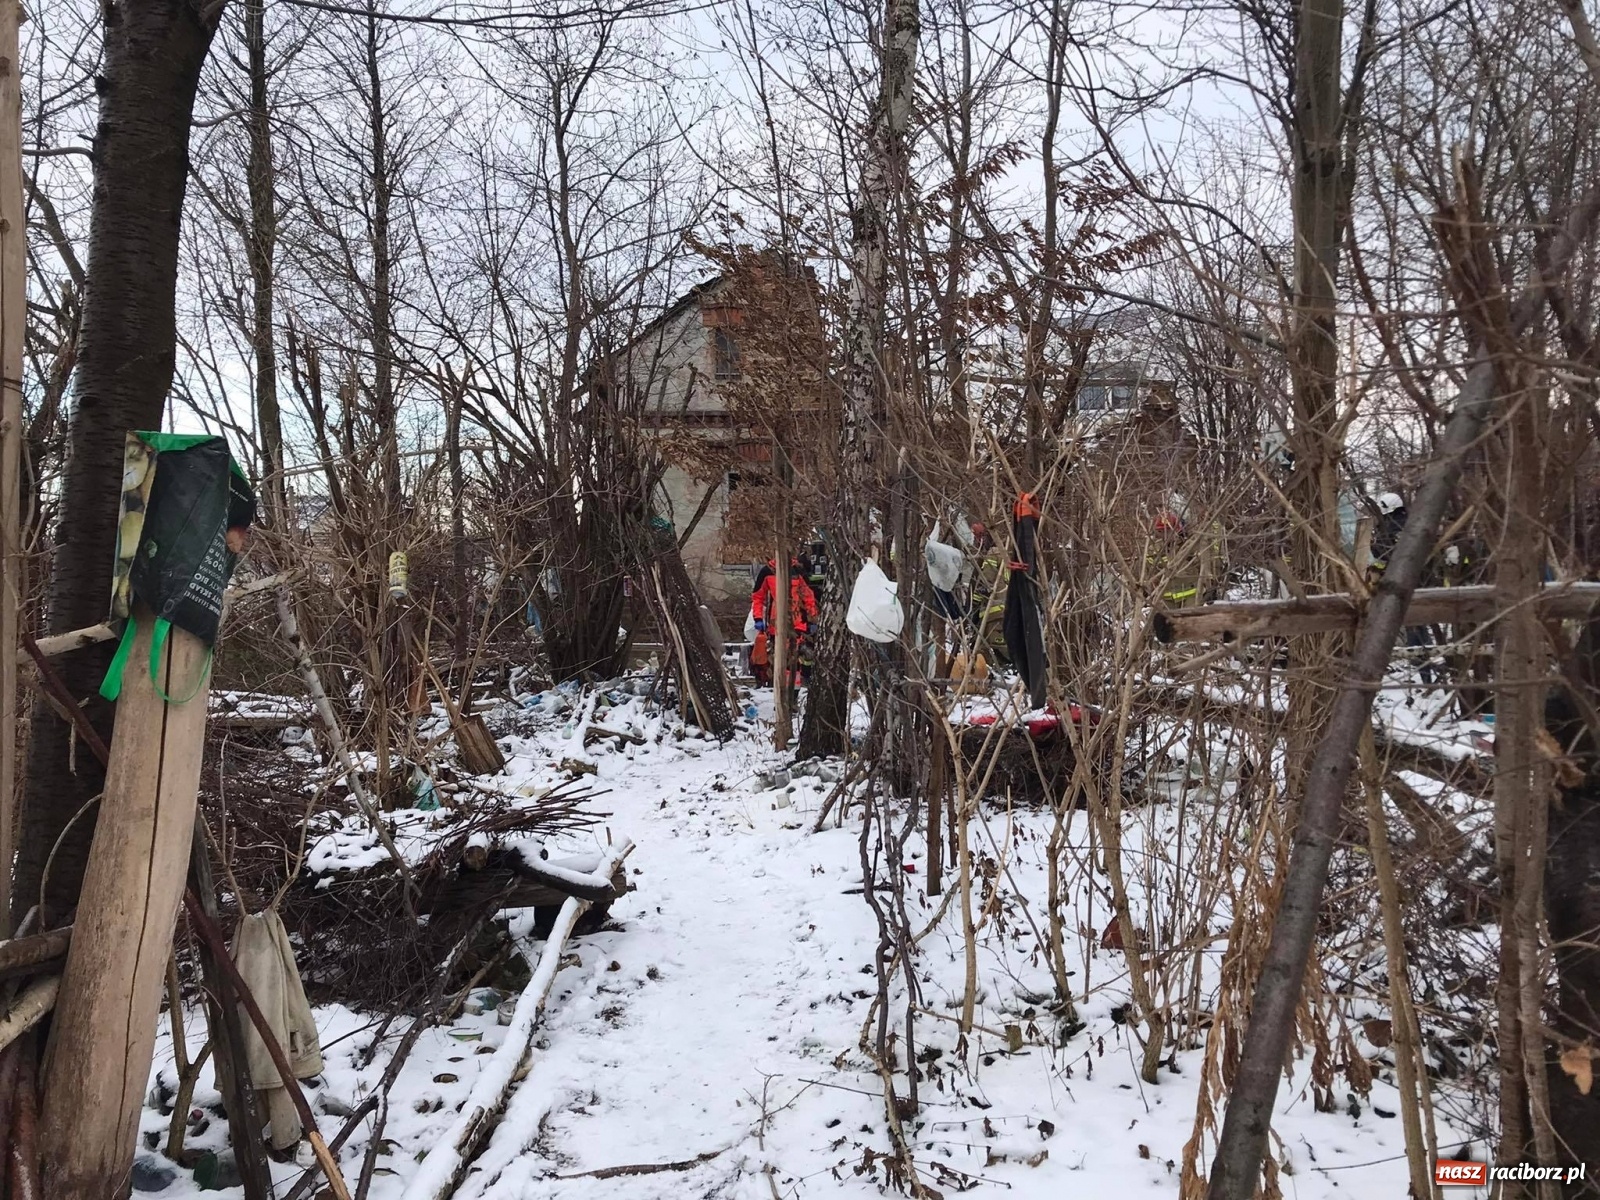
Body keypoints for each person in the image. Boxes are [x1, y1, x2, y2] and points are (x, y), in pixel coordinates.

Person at [752, 558, 818, 687]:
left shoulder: (798, 570)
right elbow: (758, 597)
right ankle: (783, 693)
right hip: (776, 624)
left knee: (798, 660)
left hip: (799, 623)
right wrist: (758, 617)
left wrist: (812, 617)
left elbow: (808, 596)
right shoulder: (767, 571)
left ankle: (795, 691)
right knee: (781, 661)